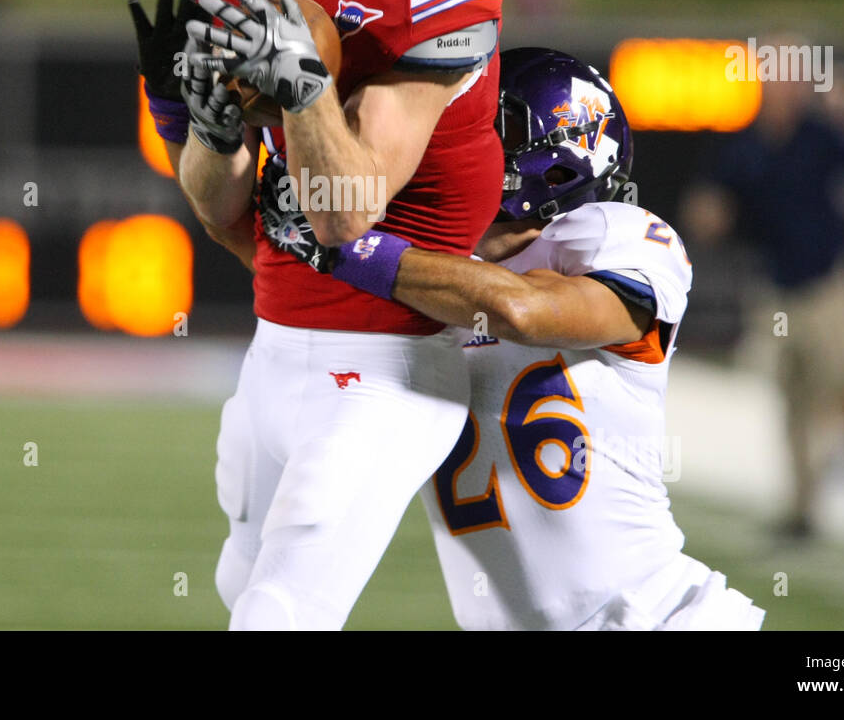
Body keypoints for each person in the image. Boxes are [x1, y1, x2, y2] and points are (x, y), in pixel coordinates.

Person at [134, 0, 502, 630]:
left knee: (281, 614)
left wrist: (298, 93)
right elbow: (220, 209)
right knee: (241, 583)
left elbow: (345, 215)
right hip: (276, 341)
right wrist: (216, 129)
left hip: (391, 368)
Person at [275, 47, 764, 629]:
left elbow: (522, 310)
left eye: (479, 127)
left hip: (654, 619)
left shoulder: (613, 236)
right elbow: (274, 261)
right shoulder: (420, 267)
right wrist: (202, 130)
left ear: (554, 160)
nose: (445, 142)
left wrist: (349, 249)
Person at [681, 64, 844, 537]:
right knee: (794, 397)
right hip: (776, 288)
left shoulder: (824, 135)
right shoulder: (746, 142)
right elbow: (711, 202)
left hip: (829, 282)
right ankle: (803, 509)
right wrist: (706, 215)